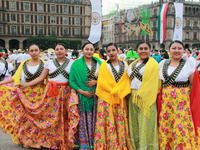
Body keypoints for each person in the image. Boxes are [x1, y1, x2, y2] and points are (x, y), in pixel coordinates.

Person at [17, 43, 79, 149]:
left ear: (65, 51)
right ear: (54, 51)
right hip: (51, 94)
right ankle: (51, 141)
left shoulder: (73, 63)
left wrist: (75, 93)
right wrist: (26, 85)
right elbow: (41, 78)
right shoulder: (49, 63)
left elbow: (73, 80)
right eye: (57, 49)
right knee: (50, 118)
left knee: (64, 117)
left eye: (61, 49)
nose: (59, 51)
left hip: (66, 93)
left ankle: (64, 140)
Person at [111, 41, 160, 149]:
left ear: (150, 50)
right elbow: (126, 80)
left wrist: (141, 94)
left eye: (145, 49)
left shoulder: (153, 64)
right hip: (132, 96)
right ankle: (136, 146)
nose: (143, 51)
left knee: (145, 124)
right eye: (141, 49)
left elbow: (154, 83)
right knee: (134, 124)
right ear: (137, 51)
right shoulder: (132, 64)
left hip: (146, 97)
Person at [0, 44, 46, 143]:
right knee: (26, 118)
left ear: (39, 51)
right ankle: (28, 139)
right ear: (29, 52)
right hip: (26, 94)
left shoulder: (45, 64)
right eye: (32, 50)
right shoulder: (24, 64)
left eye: (36, 50)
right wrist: (1, 83)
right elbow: (15, 77)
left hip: (40, 94)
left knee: (39, 117)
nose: (34, 52)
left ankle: (39, 140)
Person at [158, 40, 199, 149]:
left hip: (182, 104)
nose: (177, 51)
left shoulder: (189, 64)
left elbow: (193, 85)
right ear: (169, 50)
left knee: (180, 127)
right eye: (174, 48)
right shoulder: (163, 64)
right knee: (167, 126)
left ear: (184, 51)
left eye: (179, 48)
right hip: (166, 104)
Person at [94, 43, 132, 149]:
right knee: (107, 121)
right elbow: (102, 82)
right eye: (109, 51)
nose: (111, 53)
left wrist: (119, 92)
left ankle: (120, 144)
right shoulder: (103, 65)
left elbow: (126, 81)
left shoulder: (124, 64)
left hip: (120, 97)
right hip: (106, 97)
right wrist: (113, 91)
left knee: (119, 120)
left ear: (118, 51)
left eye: (113, 50)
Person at [69, 42, 101, 149]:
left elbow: (105, 78)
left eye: (91, 49)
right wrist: (83, 92)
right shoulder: (76, 64)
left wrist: (96, 82)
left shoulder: (99, 63)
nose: (89, 51)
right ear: (82, 51)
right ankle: (84, 143)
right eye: (86, 49)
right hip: (82, 96)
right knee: (83, 119)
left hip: (97, 96)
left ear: (94, 51)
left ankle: (95, 142)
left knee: (95, 119)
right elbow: (72, 82)